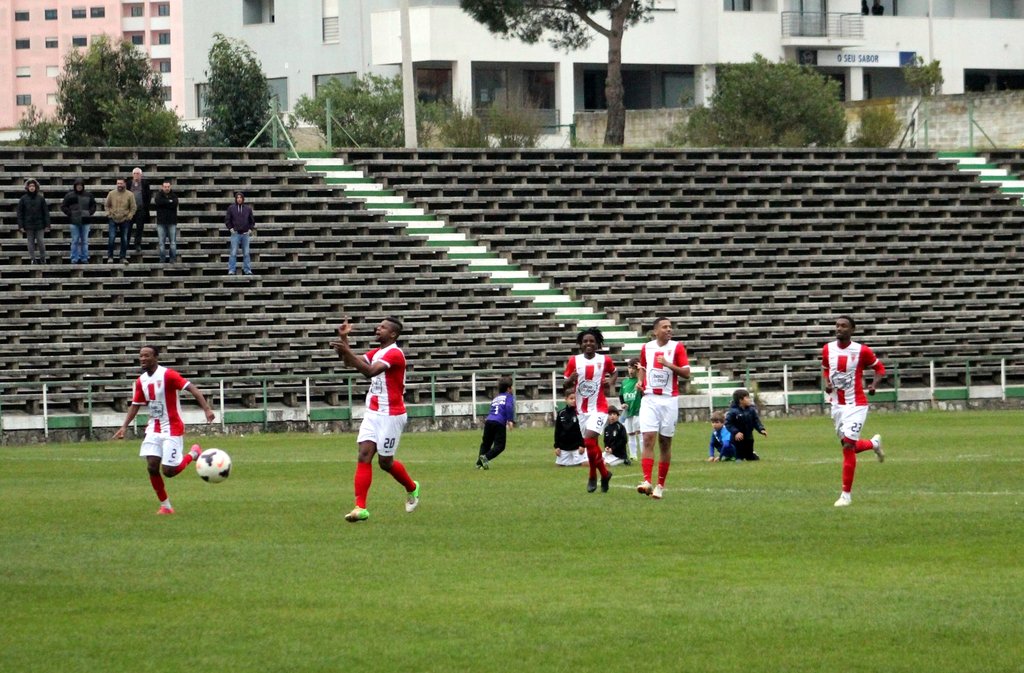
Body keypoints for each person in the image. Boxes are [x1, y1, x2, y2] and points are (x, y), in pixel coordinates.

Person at [329, 316, 420, 523]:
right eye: (379, 326)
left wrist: (346, 350)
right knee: (364, 455)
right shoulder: (377, 352)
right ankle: (360, 508)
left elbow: (370, 372)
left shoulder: (395, 353)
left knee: (385, 463)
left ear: (393, 334)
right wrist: (344, 340)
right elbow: (350, 363)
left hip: (391, 415)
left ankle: (412, 487)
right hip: (373, 412)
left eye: (383, 327)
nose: (378, 329)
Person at [112, 345, 216, 515]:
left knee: (169, 471)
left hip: (172, 428)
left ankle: (193, 454)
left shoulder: (168, 375)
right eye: (141, 356)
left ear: (156, 357)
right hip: (154, 428)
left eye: (147, 356)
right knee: (152, 467)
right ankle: (166, 506)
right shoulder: (141, 381)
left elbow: (192, 388)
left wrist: (207, 409)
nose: (143, 359)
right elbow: (135, 405)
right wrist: (124, 426)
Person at [823, 315, 886, 507]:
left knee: (848, 447)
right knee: (848, 445)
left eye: (844, 326)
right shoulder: (827, 349)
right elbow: (826, 368)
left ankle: (846, 495)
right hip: (837, 405)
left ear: (852, 330)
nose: (839, 328)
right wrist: (827, 383)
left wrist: (874, 385)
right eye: (837, 325)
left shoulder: (862, 350)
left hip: (856, 404)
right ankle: (873, 443)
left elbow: (880, 369)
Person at [636, 317, 690, 500]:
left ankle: (660, 485)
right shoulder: (647, 347)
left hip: (669, 400)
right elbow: (643, 367)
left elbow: (686, 373)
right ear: (655, 331)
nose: (669, 329)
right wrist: (640, 381)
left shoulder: (677, 347)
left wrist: (668, 364)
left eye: (670, 327)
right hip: (649, 398)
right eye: (665, 327)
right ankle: (646, 481)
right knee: (647, 438)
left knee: (665, 442)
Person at [564, 327, 616, 493]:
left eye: (592, 341)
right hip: (581, 410)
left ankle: (593, 475)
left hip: (599, 408)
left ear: (597, 344)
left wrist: (611, 382)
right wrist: (571, 379)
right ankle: (604, 474)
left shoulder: (604, 360)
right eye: (585, 341)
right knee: (592, 445)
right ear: (580, 344)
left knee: (588, 442)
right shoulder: (574, 361)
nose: (588, 343)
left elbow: (614, 372)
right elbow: (565, 384)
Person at [477, 376, 515, 469]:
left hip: (489, 421)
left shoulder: (496, 398)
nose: (513, 388)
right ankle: (485, 458)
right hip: (499, 422)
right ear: (508, 389)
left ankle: (479, 463)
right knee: (500, 446)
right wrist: (510, 420)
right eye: (511, 387)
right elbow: (509, 407)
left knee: (486, 444)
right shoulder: (508, 397)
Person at [61, 178, 97, 264]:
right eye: (77, 185)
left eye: (81, 185)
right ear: (75, 186)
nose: (79, 187)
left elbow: (93, 206)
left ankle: (84, 258)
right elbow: (63, 206)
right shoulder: (69, 195)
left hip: (86, 220)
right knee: (75, 240)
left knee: (85, 241)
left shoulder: (89, 195)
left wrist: (89, 213)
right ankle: (74, 258)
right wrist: (70, 213)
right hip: (74, 221)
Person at [725, 388, 767, 461]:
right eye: (747, 398)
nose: (749, 399)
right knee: (739, 457)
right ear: (740, 400)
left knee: (749, 456)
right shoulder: (733, 412)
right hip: (738, 438)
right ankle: (736, 457)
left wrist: (761, 429)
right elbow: (728, 424)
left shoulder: (751, 410)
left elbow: (756, 421)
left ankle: (752, 455)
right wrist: (736, 432)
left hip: (749, 436)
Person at [16, 178, 51, 264]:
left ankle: (43, 258)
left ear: (36, 187)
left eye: (33, 186)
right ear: (27, 187)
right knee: (30, 242)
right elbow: (20, 213)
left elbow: (46, 212)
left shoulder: (41, 198)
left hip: (40, 224)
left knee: (40, 241)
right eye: (30, 186)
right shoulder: (23, 199)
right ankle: (33, 259)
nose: (32, 187)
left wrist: (47, 224)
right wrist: (21, 226)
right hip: (28, 224)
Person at [104, 178, 136, 263]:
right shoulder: (111, 193)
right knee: (111, 238)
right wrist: (108, 214)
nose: (119, 185)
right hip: (113, 218)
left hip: (125, 219)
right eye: (118, 183)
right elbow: (106, 205)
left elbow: (133, 207)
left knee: (124, 239)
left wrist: (129, 216)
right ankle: (110, 257)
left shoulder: (130, 194)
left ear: (124, 184)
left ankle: (123, 257)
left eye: (121, 183)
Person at [224, 191, 256, 275]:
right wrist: (230, 228)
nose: (239, 199)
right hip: (235, 234)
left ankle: (247, 270)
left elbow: (252, 221)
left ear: (243, 199)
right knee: (233, 253)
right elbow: (227, 219)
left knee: (246, 253)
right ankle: (231, 270)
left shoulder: (248, 209)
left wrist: (250, 229)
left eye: (240, 197)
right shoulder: (231, 208)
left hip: (245, 234)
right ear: (235, 199)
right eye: (237, 197)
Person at [554, 391, 588, 467]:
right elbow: (557, 431)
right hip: (564, 447)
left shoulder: (580, 413)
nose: (573, 400)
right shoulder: (561, 413)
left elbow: (584, 430)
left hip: (577, 447)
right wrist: (557, 446)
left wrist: (582, 445)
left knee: (585, 464)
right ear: (566, 399)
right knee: (558, 466)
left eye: (575, 399)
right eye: (571, 398)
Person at [618, 358, 642, 462]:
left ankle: (644, 454)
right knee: (630, 433)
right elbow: (621, 395)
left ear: (637, 369)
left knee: (639, 432)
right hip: (628, 411)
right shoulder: (625, 382)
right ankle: (633, 455)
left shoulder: (640, 381)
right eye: (629, 368)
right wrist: (623, 404)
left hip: (638, 410)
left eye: (633, 368)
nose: (631, 370)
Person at [126, 167, 151, 256]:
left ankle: (137, 244)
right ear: (132, 175)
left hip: (140, 209)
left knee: (139, 228)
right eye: (135, 173)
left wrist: (145, 207)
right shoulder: (128, 183)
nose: (136, 175)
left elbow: (148, 196)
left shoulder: (145, 184)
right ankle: (126, 243)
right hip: (130, 210)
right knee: (128, 228)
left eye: (138, 173)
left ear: (141, 175)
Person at [152, 181, 180, 263]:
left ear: (170, 187)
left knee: (173, 242)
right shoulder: (158, 196)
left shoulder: (174, 196)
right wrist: (169, 202)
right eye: (165, 186)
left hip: (172, 222)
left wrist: (165, 203)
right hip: (161, 222)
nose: (167, 188)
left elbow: (174, 203)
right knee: (161, 242)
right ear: (162, 187)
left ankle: (173, 258)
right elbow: (159, 202)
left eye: (168, 186)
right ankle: (162, 258)